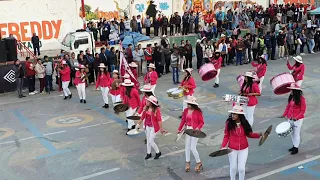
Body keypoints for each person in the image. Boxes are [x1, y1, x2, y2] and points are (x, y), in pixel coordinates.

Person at [221, 105, 262, 180]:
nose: (233, 116)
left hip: (243, 149)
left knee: (241, 169)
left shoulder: (245, 123)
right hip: (232, 149)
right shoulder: (228, 123)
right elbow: (226, 136)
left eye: (235, 114)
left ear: (239, 115)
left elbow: (249, 134)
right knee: (233, 168)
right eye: (232, 114)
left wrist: (258, 135)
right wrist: (223, 146)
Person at [177, 96, 204, 172]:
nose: (188, 105)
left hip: (195, 131)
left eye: (189, 104)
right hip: (188, 129)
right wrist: (179, 129)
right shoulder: (185, 111)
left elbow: (201, 122)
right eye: (187, 103)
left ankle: (198, 162)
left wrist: (197, 128)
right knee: (187, 146)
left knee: (193, 147)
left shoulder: (198, 112)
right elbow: (183, 120)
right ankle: (187, 162)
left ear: (193, 105)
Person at [280, 83, 307, 155]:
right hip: (290, 118)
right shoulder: (291, 97)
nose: (290, 91)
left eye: (291, 90)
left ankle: (296, 148)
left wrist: (297, 117)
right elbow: (288, 106)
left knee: (296, 133)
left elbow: (303, 110)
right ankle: (294, 145)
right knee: (291, 133)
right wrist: (284, 114)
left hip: (297, 119)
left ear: (295, 91)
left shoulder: (301, 99)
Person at [136, 95, 164, 159]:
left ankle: (158, 152)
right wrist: (138, 124)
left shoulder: (157, 110)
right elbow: (142, 117)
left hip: (154, 127)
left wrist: (161, 128)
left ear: (151, 103)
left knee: (151, 140)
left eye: (148, 101)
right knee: (148, 140)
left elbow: (159, 120)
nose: (146, 102)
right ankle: (148, 153)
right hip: (147, 126)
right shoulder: (146, 108)